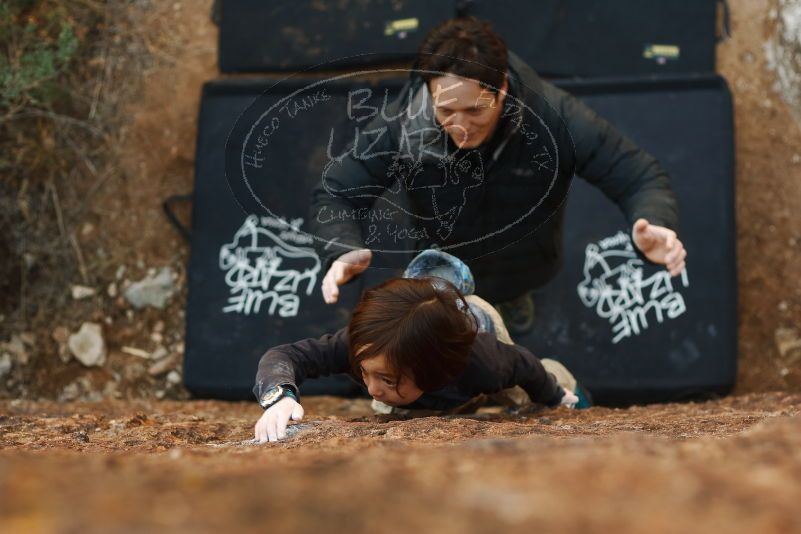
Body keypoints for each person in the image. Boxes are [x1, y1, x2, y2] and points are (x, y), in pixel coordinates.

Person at [311, 16, 687, 335]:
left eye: (475, 110)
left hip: (523, 281)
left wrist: (654, 222)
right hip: (440, 285)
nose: (460, 126)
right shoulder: (404, 123)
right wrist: (342, 248)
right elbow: (337, 191)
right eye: (446, 110)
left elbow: (637, 174)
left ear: (502, 88)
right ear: (429, 91)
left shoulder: (554, 119)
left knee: (530, 394)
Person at [254, 250, 584, 443]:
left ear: (432, 369)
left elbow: (523, 364)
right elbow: (285, 356)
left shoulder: (484, 361)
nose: (372, 388)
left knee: (521, 398)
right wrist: (280, 396)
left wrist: (554, 395)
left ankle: (568, 385)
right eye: (365, 372)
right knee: (399, 414)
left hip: (478, 328)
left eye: (388, 379)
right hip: (430, 366)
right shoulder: (364, 346)